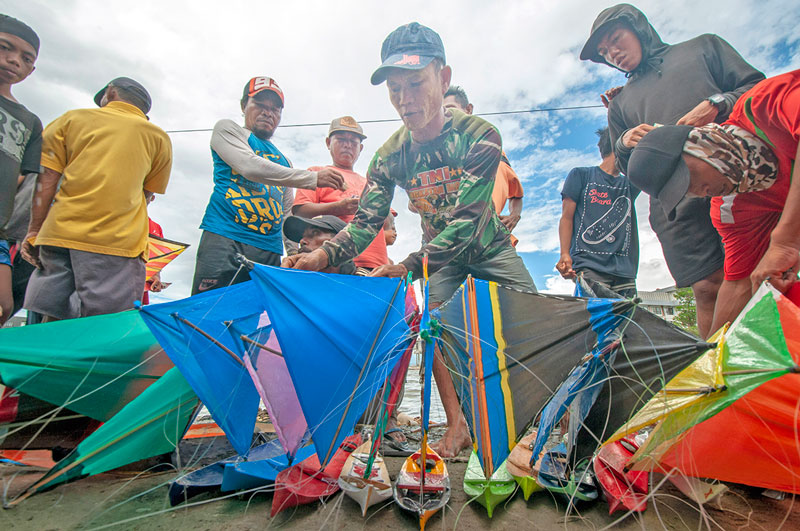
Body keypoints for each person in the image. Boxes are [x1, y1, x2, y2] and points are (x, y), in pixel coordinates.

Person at [283, 22, 537, 457]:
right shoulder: (388, 156)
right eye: (395, 88)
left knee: (531, 322)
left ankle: (535, 425)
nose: (405, 98)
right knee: (435, 332)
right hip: (443, 262)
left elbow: (471, 220)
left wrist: (410, 264)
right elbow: (365, 224)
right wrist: (321, 255)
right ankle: (458, 427)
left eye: (416, 82)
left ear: (444, 77)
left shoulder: (479, 136)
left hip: (489, 247)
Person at [580, 3, 764, 338]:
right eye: (605, 53)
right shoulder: (621, 103)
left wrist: (718, 103)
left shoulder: (704, 47)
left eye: (616, 40)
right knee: (707, 286)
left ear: (638, 27)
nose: (613, 54)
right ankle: (716, 378)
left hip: (733, 179)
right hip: (673, 201)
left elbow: (759, 91)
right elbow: (625, 168)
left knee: (760, 274)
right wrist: (624, 142)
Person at [626, 70, 800, 333]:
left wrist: (786, 241)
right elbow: (738, 283)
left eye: (689, 178)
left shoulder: (762, 104)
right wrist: (711, 355)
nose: (701, 191)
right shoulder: (731, 209)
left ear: (697, 143)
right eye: (688, 193)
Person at [21, 77, 171, 321]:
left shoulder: (71, 119)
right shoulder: (158, 137)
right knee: (101, 326)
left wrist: (34, 229)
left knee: (49, 319)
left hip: (58, 235)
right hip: (116, 242)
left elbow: (46, 179)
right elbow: (145, 195)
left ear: (110, 93)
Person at [192, 77, 345, 295]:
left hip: (268, 250)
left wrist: (292, 252)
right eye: (260, 105)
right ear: (244, 105)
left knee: (252, 319)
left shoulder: (284, 161)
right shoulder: (228, 130)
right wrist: (312, 179)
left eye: (275, 109)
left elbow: (285, 211)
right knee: (208, 313)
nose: (268, 113)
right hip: (226, 237)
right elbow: (249, 166)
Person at [292, 116, 390, 272]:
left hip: (377, 264)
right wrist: (339, 207)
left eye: (353, 142)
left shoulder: (372, 182)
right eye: (341, 139)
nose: (347, 145)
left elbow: (388, 225)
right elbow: (300, 210)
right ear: (328, 143)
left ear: (361, 148)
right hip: (335, 262)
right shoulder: (316, 173)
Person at [557, 127, 639, 298]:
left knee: (624, 322)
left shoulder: (630, 183)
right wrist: (565, 253)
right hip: (590, 265)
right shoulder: (581, 175)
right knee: (594, 319)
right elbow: (566, 218)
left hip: (625, 269)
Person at [0, 15, 42, 325]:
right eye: (5, 47)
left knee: (4, 305)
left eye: (26, 58)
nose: (13, 60)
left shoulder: (29, 122)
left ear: (32, 69)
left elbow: (22, 181)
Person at [443, 85, 524, 237]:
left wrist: (514, 215)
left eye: (450, 108)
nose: (446, 115)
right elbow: (415, 204)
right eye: (441, 112)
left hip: (491, 237)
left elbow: (516, 194)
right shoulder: (438, 155)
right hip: (449, 239)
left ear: (468, 109)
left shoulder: (493, 149)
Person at [282, 214, 355, 275]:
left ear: (340, 241)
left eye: (315, 233)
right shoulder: (293, 284)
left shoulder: (361, 284)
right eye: (302, 236)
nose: (301, 241)